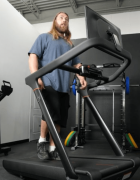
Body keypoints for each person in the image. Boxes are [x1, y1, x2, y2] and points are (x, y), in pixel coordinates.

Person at [28, 12, 87, 160]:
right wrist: (36, 76)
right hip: (48, 81)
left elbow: (77, 64)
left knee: (59, 118)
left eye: (67, 19)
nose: (64, 20)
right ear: (55, 20)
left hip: (63, 86)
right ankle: (42, 142)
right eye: (61, 17)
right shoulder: (44, 37)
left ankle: (54, 148)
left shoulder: (69, 44)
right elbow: (33, 55)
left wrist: (81, 77)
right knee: (50, 112)